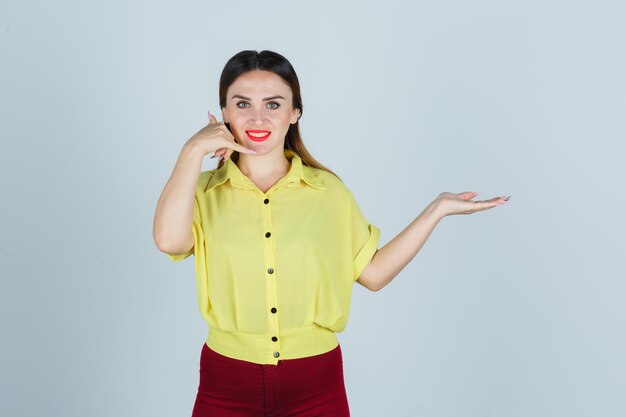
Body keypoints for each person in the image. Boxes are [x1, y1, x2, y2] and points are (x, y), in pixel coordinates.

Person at [153, 49, 510, 417]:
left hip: (315, 384)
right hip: (225, 380)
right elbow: (169, 241)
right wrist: (192, 150)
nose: (258, 117)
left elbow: (372, 274)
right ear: (224, 112)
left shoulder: (327, 192)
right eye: (242, 104)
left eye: (273, 104)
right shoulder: (200, 190)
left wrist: (436, 209)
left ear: (294, 113)